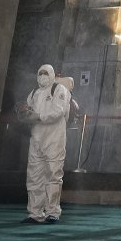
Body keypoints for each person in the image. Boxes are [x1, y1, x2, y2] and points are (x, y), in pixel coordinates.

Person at [25, 65, 77, 224]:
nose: (42, 76)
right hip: (36, 139)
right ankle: (34, 213)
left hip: (54, 139)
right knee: (34, 177)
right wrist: (24, 115)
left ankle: (52, 212)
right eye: (39, 73)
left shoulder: (59, 89)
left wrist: (38, 116)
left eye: (45, 73)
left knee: (53, 175)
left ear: (52, 75)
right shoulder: (33, 93)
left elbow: (58, 112)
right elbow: (28, 111)